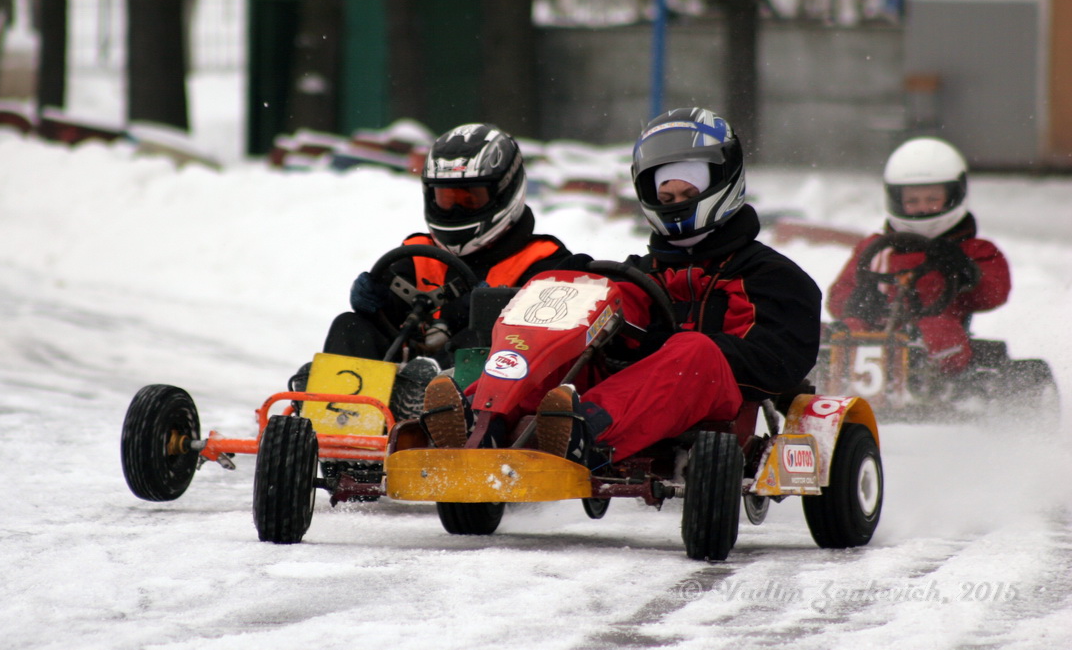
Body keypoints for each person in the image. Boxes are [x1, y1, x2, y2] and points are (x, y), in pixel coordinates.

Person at [421, 108, 823, 466]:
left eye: (688, 193)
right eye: (666, 194)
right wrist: (573, 287)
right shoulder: (643, 274)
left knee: (695, 349)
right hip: (635, 393)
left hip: (718, 402)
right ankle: (482, 420)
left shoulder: (772, 275)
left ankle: (580, 431)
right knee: (566, 298)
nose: (676, 201)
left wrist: (678, 346)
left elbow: (778, 362)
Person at [293, 123, 572, 406]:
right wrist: (377, 302)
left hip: (491, 398)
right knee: (350, 325)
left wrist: (488, 311)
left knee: (475, 340)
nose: (457, 209)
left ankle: (433, 404)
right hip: (406, 378)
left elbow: (560, 331)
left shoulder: (545, 262)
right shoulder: (418, 254)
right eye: (447, 199)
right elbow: (393, 324)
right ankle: (339, 419)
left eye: (469, 199)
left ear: (505, 191)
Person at [826, 137, 1010, 375]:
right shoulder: (876, 248)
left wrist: (966, 272)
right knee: (843, 330)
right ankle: (828, 380)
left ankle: (923, 380)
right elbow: (838, 296)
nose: (922, 208)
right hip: (874, 326)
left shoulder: (974, 250)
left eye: (932, 199)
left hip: (936, 325)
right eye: (913, 201)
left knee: (934, 331)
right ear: (896, 200)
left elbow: (994, 293)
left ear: (954, 195)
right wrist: (858, 302)